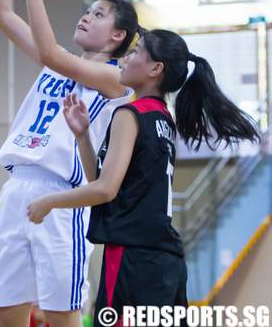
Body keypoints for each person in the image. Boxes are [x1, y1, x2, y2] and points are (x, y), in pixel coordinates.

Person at [27, 30, 259, 326]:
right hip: (165, 261)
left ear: (155, 69)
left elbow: (105, 190)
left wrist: (48, 202)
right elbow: (101, 180)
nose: (125, 58)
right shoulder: (164, 118)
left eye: (135, 52)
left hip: (133, 260)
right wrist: (83, 136)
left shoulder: (129, 114)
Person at [0, 0, 139, 327]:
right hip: (17, 189)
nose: (86, 16)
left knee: (62, 318)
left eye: (99, 14)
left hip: (64, 198)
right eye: (88, 10)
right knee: (9, 315)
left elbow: (52, 51)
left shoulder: (115, 78)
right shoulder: (58, 66)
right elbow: (1, 12)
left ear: (117, 37)